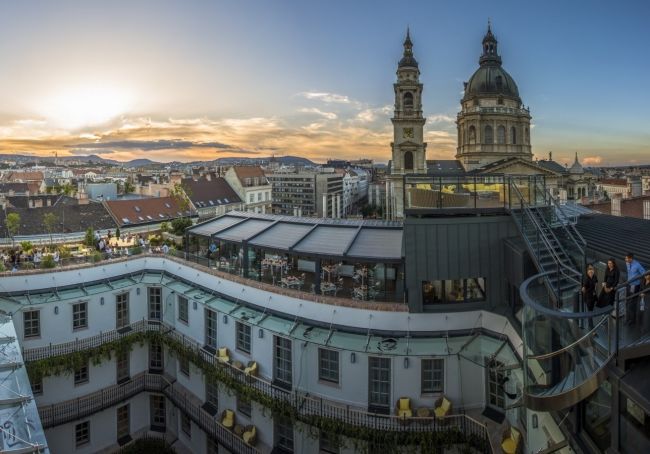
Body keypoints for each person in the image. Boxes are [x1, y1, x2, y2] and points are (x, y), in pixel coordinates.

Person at [625, 253, 646, 326]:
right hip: (629, 285)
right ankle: (628, 319)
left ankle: (632, 321)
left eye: (627, 258)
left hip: (635, 286)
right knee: (627, 302)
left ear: (631, 258)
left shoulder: (637, 265)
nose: (626, 260)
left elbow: (644, 273)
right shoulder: (627, 263)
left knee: (632, 303)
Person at [582, 264, 598, 329]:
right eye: (589, 269)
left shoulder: (594, 277)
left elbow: (596, 283)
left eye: (591, 269)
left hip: (593, 297)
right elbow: (583, 288)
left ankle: (590, 325)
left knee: (591, 310)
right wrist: (584, 290)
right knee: (590, 312)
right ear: (587, 271)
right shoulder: (586, 279)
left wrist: (594, 291)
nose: (590, 271)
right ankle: (591, 327)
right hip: (588, 297)